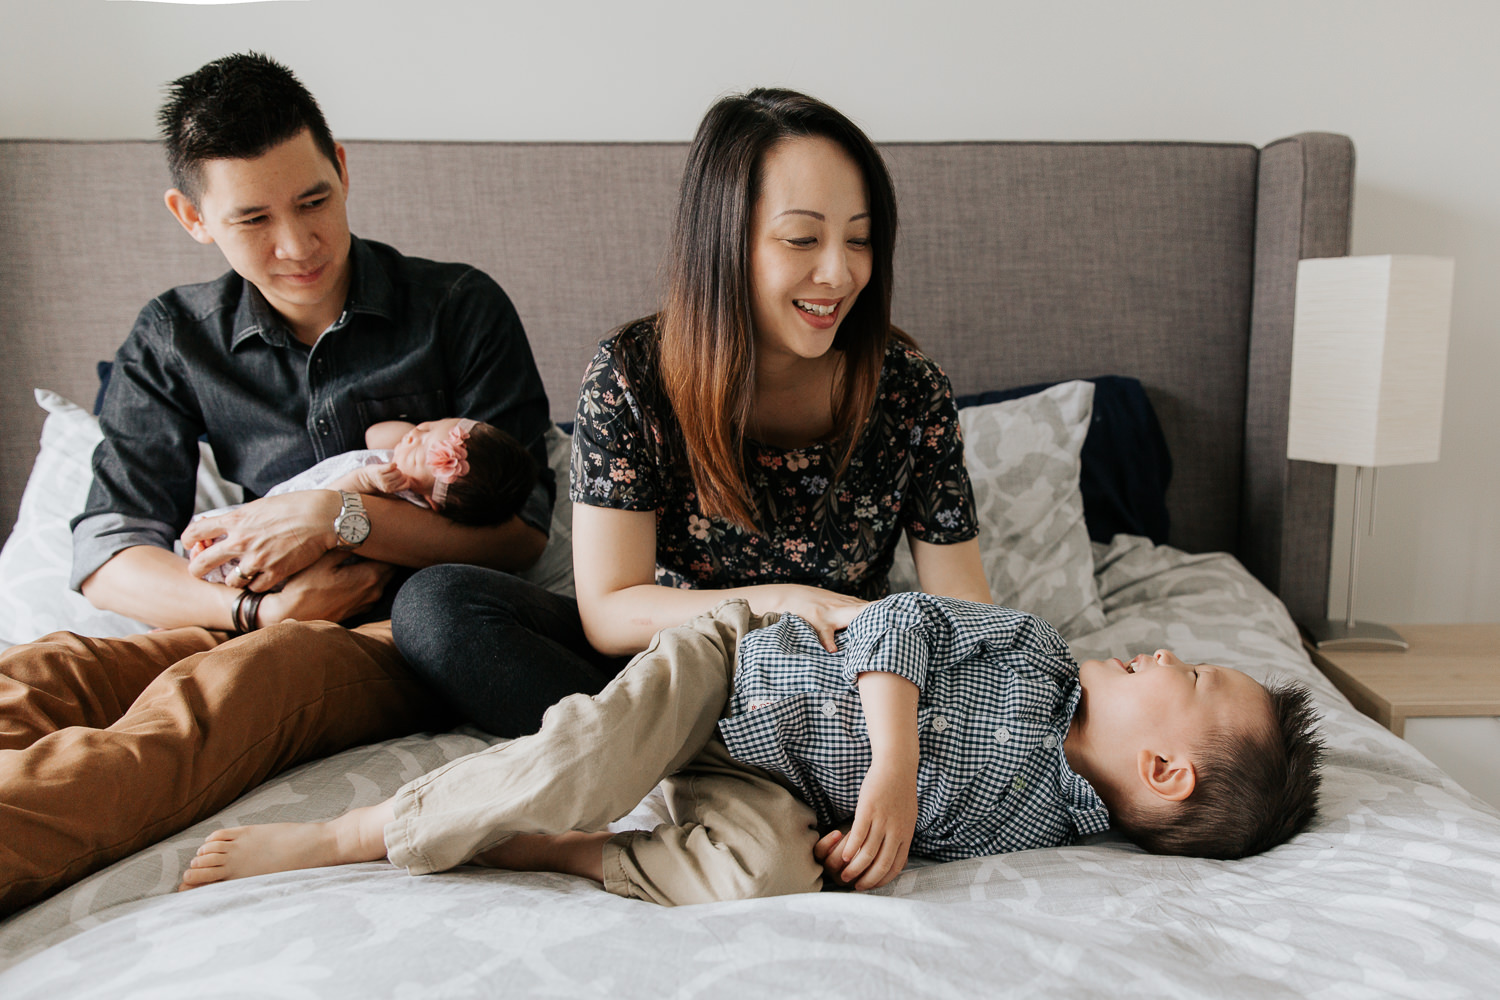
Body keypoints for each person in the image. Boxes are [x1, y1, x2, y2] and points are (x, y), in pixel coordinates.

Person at [0, 52, 552, 916]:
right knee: (44, 674)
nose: (297, 245)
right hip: (244, 619)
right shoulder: (175, 338)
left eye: (313, 201)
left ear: (341, 165)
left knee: (203, 706)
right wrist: (255, 611)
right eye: (253, 218)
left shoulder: (456, 307)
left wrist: (338, 518)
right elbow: (109, 552)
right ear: (191, 216)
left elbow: (522, 533)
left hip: (391, 639)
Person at [392, 87, 991, 738]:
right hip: (671, 664)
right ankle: (684, 761)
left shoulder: (910, 390)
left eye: (861, 240)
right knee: (436, 605)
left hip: (830, 684)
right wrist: (780, 602)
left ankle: (679, 767)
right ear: (723, 240)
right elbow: (611, 610)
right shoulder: (632, 375)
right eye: (801, 238)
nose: (839, 273)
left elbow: (962, 605)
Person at [179, 594, 1326, 904]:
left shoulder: (1053, 819)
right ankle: (358, 830)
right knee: (593, 748)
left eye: (1187, 675)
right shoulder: (1036, 652)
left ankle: (563, 853)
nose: (1162, 653)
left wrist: (871, 848)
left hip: (762, 781)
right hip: (737, 671)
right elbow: (890, 621)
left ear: (1165, 774)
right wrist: (892, 766)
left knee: (765, 878)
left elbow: (894, 852)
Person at [190, 418, 539, 585]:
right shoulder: (397, 461)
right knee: (218, 535)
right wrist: (419, 441)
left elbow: (325, 504)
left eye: (419, 453)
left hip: (285, 542)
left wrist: (362, 481)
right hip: (269, 511)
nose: (413, 436)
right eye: (428, 426)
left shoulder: (399, 500)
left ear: (434, 504)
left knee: (228, 562)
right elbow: (377, 433)